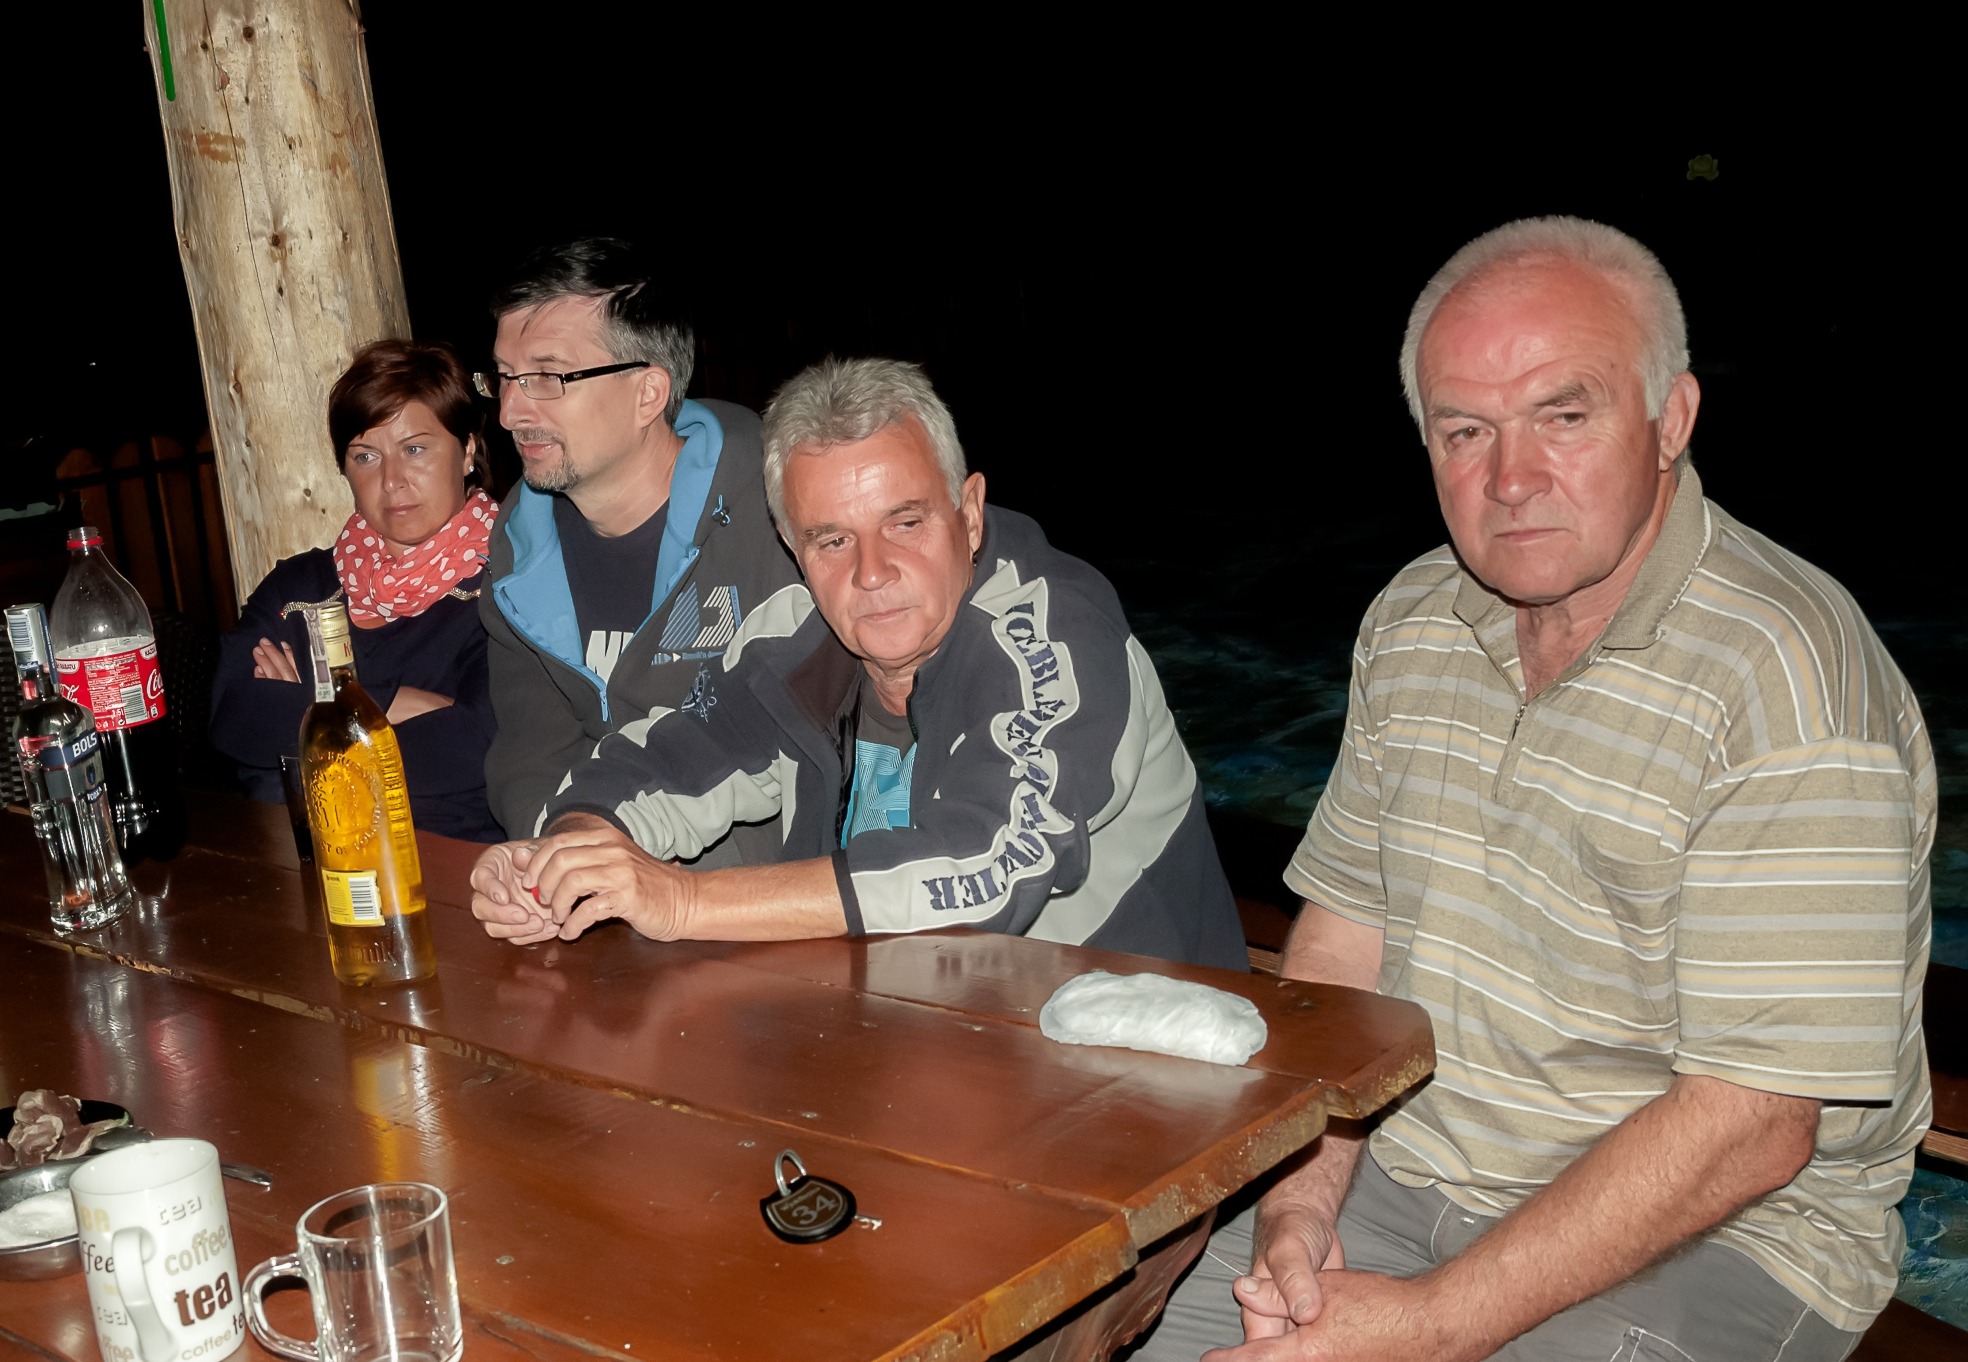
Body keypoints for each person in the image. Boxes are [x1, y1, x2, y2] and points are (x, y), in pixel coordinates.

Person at [1137, 217, 1934, 1361]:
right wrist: (1295, 1211)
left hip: (1718, 1239)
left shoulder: (1784, 676)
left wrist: (1435, 1323)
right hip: (1408, 1171)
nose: (1509, 481)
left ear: (1670, 420)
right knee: (1100, 1324)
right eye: (1464, 430)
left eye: (1562, 415)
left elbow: (1752, 1125)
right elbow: (1344, 947)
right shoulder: (1413, 621)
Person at [467, 357, 1247, 970]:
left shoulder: (1051, 636)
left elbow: (988, 866)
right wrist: (564, 854)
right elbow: (661, 760)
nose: (872, 573)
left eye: (905, 523)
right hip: (905, 1042)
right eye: (832, 539)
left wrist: (681, 902)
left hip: (1143, 1053)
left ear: (970, 513)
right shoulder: (793, 639)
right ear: (791, 545)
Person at [476, 237, 800, 849]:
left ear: (648, 393)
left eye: (547, 377)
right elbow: (530, 756)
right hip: (592, 870)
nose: (510, 412)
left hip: (767, 891)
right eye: (505, 377)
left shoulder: (778, 517)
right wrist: (551, 864)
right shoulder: (519, 557)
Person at [211, 339, 502, 842]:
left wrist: (309, 707)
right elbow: (233, 718)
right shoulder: (300, 589)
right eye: (366, 456)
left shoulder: (505, 588)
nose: (391, 480)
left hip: (446, 864)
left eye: (415, 449)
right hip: (291, 861)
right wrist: (388, 705)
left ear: (468, 451)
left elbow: (475, 749)